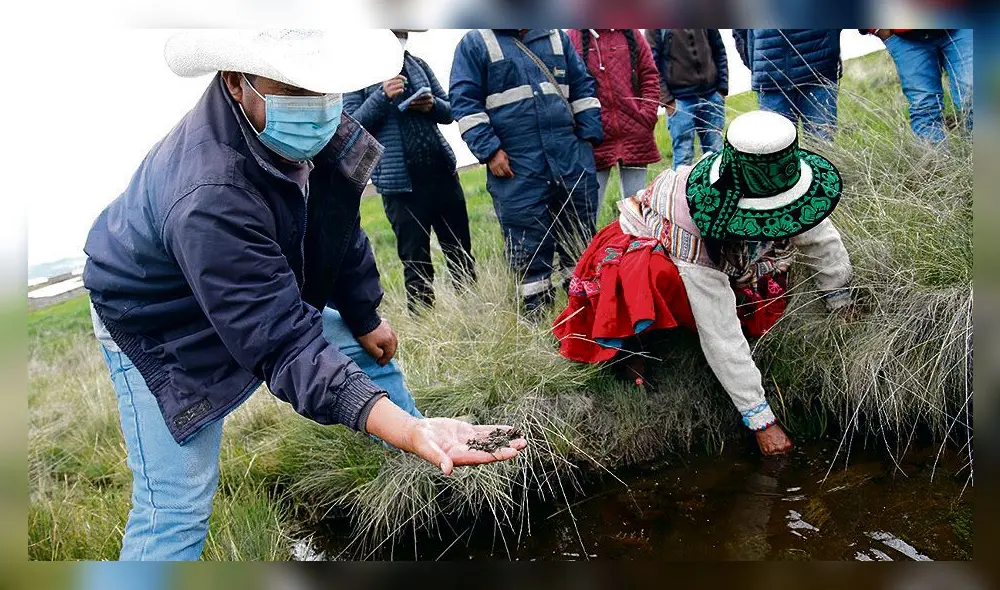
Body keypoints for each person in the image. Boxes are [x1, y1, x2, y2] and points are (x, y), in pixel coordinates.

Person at [81, 29, 526, 561]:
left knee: (364, 347)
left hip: (239, 289)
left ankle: (423, 463)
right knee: (176, 505)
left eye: (322, 87)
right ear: (236, 82)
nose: (314, 106)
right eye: (292, 88)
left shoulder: (315, 128)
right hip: (157, 319)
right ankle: (410, 434)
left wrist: (362, 314)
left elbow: (336, 227)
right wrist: (399, 427)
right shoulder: (209, 194)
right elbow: (284, 345)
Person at [553, 110, 855, 455]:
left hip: (719, 258)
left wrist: (840, 301)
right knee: (657, 276)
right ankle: (638, 346)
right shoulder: (695, 226)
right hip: (644, 256)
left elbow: (822, 240)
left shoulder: (791, 189)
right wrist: (761, 421)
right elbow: (720, 333)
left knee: (753, 297)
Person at [450, 29, 603, 317]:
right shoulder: (476, 43)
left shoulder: (556, 36)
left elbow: (583, 88)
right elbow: (465, 102)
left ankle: (588, 319)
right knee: (528, 250)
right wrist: (489, 151)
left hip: (569, 159)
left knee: (580, 242)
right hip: (516, 166)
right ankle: (540, 324)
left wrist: (587, 141)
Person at [344, 29, 477, 314]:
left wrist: (431, 105)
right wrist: (382, 95)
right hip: (399, 186)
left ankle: (474, 311)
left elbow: (449, 110)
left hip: (442, 173)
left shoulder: (417, 63)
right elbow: (351, 125)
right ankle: (423, 323)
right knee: (415, 261)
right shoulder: (358, 72)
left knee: (461, 252)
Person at [566, 29, 661, 204]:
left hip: (635, 132)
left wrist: (647, 114)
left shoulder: (630, 32)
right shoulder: (571, 38)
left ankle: (632, 232)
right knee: (589, 212)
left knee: (636, 212)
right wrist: (582, 128)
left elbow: (649, 74)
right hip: (595, 137)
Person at [861, 29, 973, 144]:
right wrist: (879, 30)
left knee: (972, 92)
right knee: (924, 106)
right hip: (904, 39)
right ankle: (937, 160)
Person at [733, 29, 842, 140]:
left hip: (819, 67)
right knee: (777, 148)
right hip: (770, 78)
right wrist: (755, 62)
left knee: (822, 146)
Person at [645, 29, 729, 168]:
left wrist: (721, 88)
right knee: (683, 160)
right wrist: (667, 101)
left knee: (717, 157)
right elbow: (651, 65)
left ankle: (718, 189)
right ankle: (682, 190)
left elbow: (719, 49)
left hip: (711, 96)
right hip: (679, 102)